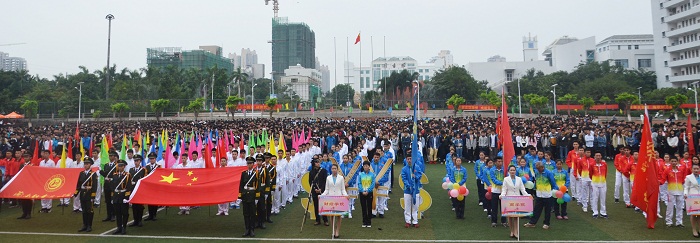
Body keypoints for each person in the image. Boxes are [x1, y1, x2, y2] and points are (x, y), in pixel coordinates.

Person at [524, 162, 559, 230]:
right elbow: (536, 181)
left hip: (547, 195)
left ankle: (546, 223)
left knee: (547, 210)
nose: (537, 170)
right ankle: (532, 222)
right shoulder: (537, 172)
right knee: (536, 209)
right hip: (539, 194)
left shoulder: (549, 173)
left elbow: (553, 183)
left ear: (542, 167)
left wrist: (555, 190)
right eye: (537, 169)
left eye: (538, 169)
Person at [500, 164, 530, 239]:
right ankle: (512, 231)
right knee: (510, 216)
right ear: (509, 171)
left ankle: (516, 231)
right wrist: (502, 195)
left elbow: (522, 189)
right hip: (508, 199)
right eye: (511, 170)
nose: (512, 171)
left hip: (517, 199)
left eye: (514, 170)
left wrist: (527, 195)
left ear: (515, 171)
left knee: (516, 216)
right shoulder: (506, 179)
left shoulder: (519, 179)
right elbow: (504, 189)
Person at [322, 164, 348, 238]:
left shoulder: (341, 178)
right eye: (332, 168)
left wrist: (346, 196)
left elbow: (343, 189)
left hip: (339, 199)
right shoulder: (328, 178)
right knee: (332, 215)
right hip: (330, 198)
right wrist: (322, 195)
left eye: (335, 168)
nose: (334, 170)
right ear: (331, 169)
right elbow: (326, 189)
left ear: (337, 169)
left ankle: (337, 231)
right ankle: (333, 230)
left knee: (339, 215)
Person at [75, 157, 98, 232]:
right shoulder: (81, 173)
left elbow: (94, 186)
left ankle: (89, 225)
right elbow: (79, 185)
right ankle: (84, 225)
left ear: (90, 165)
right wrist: (75, 193)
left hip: (89, 194)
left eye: (87, 164)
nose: (85, 165)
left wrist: (93, 195)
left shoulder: (93, 174)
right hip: (83, 194)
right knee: (84, 210)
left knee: (89, 210)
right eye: (85, 164)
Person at [662, 157, 685, 227]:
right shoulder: (667, 170)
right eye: (672, 161)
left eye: (675, 161)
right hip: (671, 192)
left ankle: (679, 222)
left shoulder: (681, 170)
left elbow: (683, 179)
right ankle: (669, 221)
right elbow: (663, 179)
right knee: (670, 207)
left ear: (677, 162)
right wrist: (658, 183)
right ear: (670, 162)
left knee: (680, 207)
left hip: (680, 191)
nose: (674, 163)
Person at [402, 151, 423, 228]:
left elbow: (420, 175)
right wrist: (409, 186)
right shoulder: (404, 169)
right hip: (407, 191)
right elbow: (404, 179)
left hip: (416, 190)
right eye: (408, 159)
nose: (409, 160)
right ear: (406, 160)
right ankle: (408, 221)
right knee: (407, 206)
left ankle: (415, 221)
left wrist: (415, 176)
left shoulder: (417, 167)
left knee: (415, 206)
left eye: (410, 158)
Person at [111, 160, 132, 235]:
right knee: (118, 213)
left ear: (124, 166)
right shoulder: (114, 175)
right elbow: (113, 186)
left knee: (125, 213)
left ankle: (124, 227)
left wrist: (126, 197)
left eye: (121, 166)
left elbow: (129, 186)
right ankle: (119, 227)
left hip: (123, 195)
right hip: (116, 196)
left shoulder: (127, 175)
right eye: (119, 166)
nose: (120, 167)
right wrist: (112, 197)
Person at [240, 157, 259, 237]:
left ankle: (252, 229)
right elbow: (241, 185)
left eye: (250, 163)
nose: (249, 165)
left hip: (252, 195)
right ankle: (247, 229)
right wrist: (240, 195)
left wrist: (257, 197)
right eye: (248, 163)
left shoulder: (256, 173)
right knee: (246, 213)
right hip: (245, 195)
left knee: (252, 213)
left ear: (253, 164)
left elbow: (258, 185)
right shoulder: (244, 173)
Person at [128, 154, 148, 226]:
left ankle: (139, 220)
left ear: (140, 161)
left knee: (140, 206)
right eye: (135, 161)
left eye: (137, 161)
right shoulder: (131, 170)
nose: (136, 162)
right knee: (134, 206)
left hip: (139, 189)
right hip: (133, 190)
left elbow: (144, 180)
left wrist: (136, 182)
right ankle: (135, 220)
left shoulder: (143, 170)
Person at [99, 151, 118, 221]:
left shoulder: (117, 165)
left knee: (113, 200)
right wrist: (101, 172)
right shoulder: (106, 165)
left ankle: (113, 215)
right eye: (110, 156)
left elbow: (116, 175)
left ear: (114, 157)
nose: (110, 157)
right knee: (107, 200)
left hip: (112, 184)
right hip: (107, 184)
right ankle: (108, 215)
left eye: (112, 156)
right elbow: (105, 174)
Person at [310, 158, 328, 226]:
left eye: (318, 162)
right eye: (316, 162)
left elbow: (325, 181)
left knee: (323, 206)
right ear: (314, 164)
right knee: (316, 206)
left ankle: (325, 220)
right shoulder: (311, 172)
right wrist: (315, 189)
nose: (318, 163)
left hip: (322, 191)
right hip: (315, 191)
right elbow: (310, 182)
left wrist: (321, 189)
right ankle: (317, 220)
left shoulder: (323, 171)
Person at [684, 164, 700, 238]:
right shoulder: (688, 177)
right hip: (692, 197)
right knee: (694, 214)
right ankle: (694, 230)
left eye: (697, 169)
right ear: (692, 169)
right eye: (695, 169)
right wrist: (685, 194)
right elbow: (686, 187)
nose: (696, 170)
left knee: (699, 215)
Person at [590, 152, 608, 219]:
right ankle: (595, 212)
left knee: (603, 198)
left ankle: (603, 212)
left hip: (603, 183)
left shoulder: (604, 164)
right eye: (597, 155)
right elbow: (590, 174)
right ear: (594, 156)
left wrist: (602, 180)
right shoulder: (592, 164)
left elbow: (606, 173)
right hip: (595, 183)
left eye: (599, 155)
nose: (598, 157)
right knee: (595, 198)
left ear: (601, 156)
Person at [358, 160, 376, 228]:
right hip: (362, 192)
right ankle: (364, 221)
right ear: (363, 166)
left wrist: (368, 191)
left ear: (369, 167)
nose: (366, 167)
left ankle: (369, 222)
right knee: (363, 207)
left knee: (369, 206)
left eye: (367, 166)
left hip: (369, 193)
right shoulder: (360, 174)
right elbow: (359, 183)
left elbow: (373, 184)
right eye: (364, 166)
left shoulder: (372, 174)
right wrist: (362, 191)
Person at [144, 152, 161, 221]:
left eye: (153, 159)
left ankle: (154, 215)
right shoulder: (147, 167)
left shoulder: (158, 166)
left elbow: (160, 176)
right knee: (149, 201)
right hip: (149, 186)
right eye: (150, 159)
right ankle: (150, 215)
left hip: (155, 186)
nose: (151, 160)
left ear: (155, 159)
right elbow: (145, 176)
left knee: (155, 201)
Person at [16, 152, 33, 219]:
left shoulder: (32, 165)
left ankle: (29, 213)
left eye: (27, 157)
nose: (26, 158)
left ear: (30, 158)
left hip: (29, 183)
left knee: (28, 199)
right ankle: (24, 213)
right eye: (25, 157)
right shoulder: (22, 165)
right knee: (23, 199)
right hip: (23, 183)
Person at [255, 154, 270, 229]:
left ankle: (262, 222)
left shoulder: (265, 170)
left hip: (262, 191)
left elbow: (267, 181)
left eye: (260, 161)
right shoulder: (254, 169)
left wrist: (267, 192)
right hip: (255, 192)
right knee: (256, 208)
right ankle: (257, 222)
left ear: (262, 161)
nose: (258, 162)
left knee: (262, 207)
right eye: (257, 161)